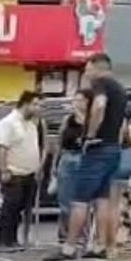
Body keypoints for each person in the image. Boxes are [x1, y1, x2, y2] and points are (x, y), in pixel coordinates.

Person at [44, 53, 128, 261]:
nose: (86, 73)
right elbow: (122, 124)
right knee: (103, 199)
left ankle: (69, 247)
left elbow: (99, 105)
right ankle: (101, 245)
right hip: (113, 149)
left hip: (97, 149)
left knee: (79, 200)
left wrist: (90, 136)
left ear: (98, 67)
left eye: (88, 68)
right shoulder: (120, 88)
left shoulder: (100, 83)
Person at [0, 91, 43, 253]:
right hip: (14, 172)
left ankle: (13, 239)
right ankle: (3, 241)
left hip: (28, 172)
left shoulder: (31, 123)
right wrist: (4, 169)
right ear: (26, 104)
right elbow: (2, 148)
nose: (38, 108)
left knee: (20, 208)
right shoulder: (8, 123)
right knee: (10, 207)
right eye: (36, 104)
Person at [50, 89, 93, 246]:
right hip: (68, 159)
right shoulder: (68, 120)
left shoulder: (92, 120)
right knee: (65, 200)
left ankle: (82, 235)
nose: (76, 103)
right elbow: (59, 143)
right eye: (75, 100)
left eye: (80, 100)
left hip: (84, 159)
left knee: (83, 201)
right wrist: (55, 164)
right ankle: (65, 235)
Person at [114, 96, 131, 246]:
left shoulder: (124, 126)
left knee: (122, 202)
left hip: (123, 165)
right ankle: (123, 234)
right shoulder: (129, 126)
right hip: (129, 165)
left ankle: (121, 234)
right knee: (126, 202)